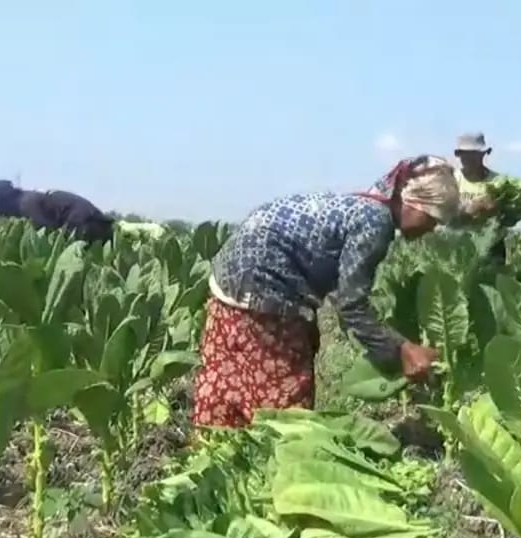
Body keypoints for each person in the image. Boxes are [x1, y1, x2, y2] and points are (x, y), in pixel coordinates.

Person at [192, 155, 460, 428]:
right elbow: (351, 306)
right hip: (264, 284)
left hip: (229, 273)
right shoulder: (375, 222)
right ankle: (277, 453)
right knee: (284, 388)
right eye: (432, 218)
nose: (432, 229)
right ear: (412, 203)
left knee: (228, 372)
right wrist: (402, 349)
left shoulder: (364, 205)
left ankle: (216, 442)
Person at [451, 133, 514, 265]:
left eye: (473, 154)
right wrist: (469, 210)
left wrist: (496, 208)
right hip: (459, 247)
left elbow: (510, 215)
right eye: (464, 154)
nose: (468, 158)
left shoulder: (499, 182)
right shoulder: (452, 180)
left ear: (482, 154)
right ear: (459, 155)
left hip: (492, 248)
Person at [0, 180, 115, 244]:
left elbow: (47, 235)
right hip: (95, 222)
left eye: (3, 213)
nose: (6, 217)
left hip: (87, 225)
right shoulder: (30, 198)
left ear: (6, 203)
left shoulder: (26, 204)